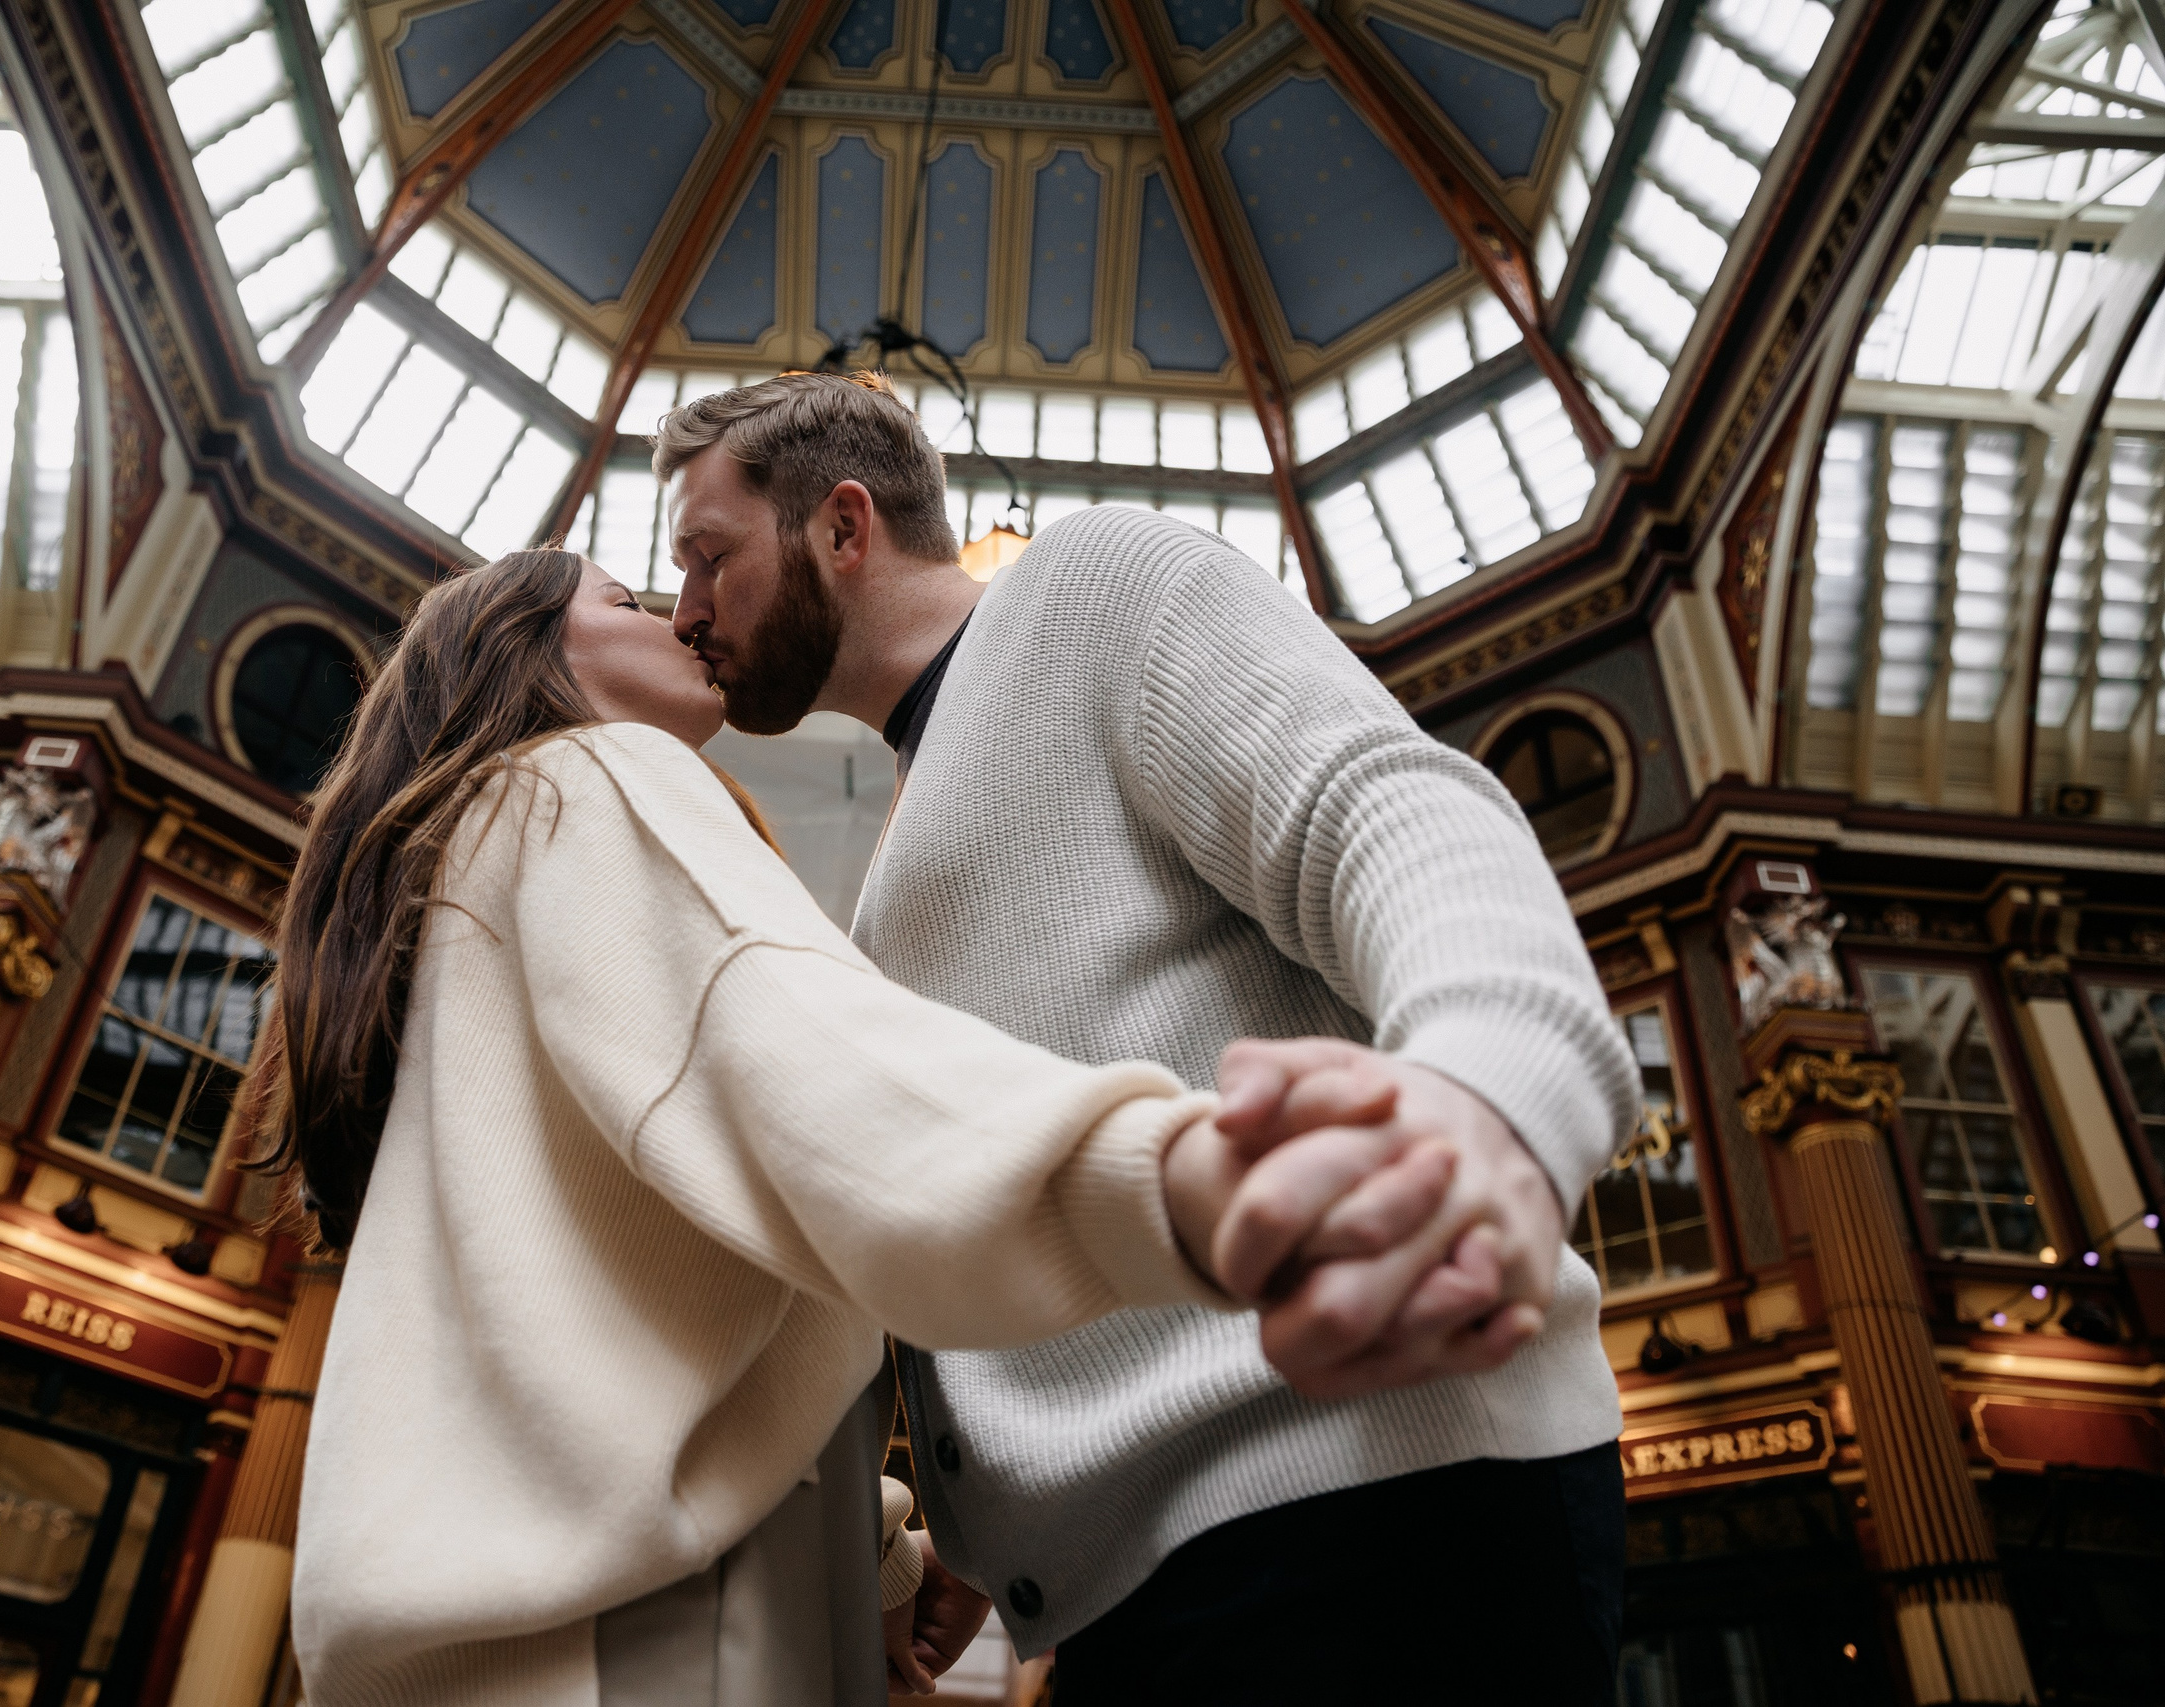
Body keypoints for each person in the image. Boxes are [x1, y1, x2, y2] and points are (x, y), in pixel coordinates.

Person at [257, 550, 1448, 1707]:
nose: (681, 618)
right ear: (525, 648)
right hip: (644, 1648)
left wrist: (883, 1557)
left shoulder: (468, 870)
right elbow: (822, 1088)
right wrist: (1196, 1178)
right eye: (629, 597)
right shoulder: (595, 775)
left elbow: (623, 1311)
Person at [656, 373, 1644, 1703]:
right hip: (1137, 1593)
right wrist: (984, 1516)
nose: (683, 611)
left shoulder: (1092, 581)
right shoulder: (898, 851)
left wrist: (1486, 1111)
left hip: (1369, 1497)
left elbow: (1391, 815)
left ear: (842, 528)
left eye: (708, 556)